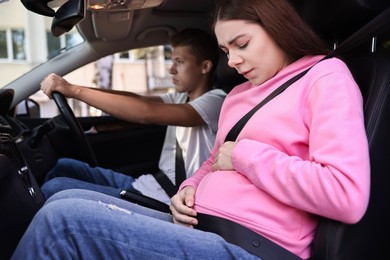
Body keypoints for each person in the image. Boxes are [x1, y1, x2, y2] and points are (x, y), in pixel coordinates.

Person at [11, 0, 370, 259]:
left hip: (253, 244)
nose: (234, 60)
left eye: (242, 44)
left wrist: (245, 156)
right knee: (61, 197)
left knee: (63, 223)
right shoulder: (241, 95)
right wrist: (189, 188)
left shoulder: (325, 77)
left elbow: (346, 195)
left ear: (278, 27)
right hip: (198, 224)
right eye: (227, 50)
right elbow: (213, 162)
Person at [39, 28, 226, 204]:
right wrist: (70, 88)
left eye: (179, 62)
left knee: (56, 187)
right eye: (172, 61)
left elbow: (146, 112)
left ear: (204, 67)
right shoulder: (181, 97)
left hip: (166, 199)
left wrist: (75, 91)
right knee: (63, 166)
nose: (172, 69)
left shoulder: (216, 101)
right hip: (151, 184)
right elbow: (137, 99)